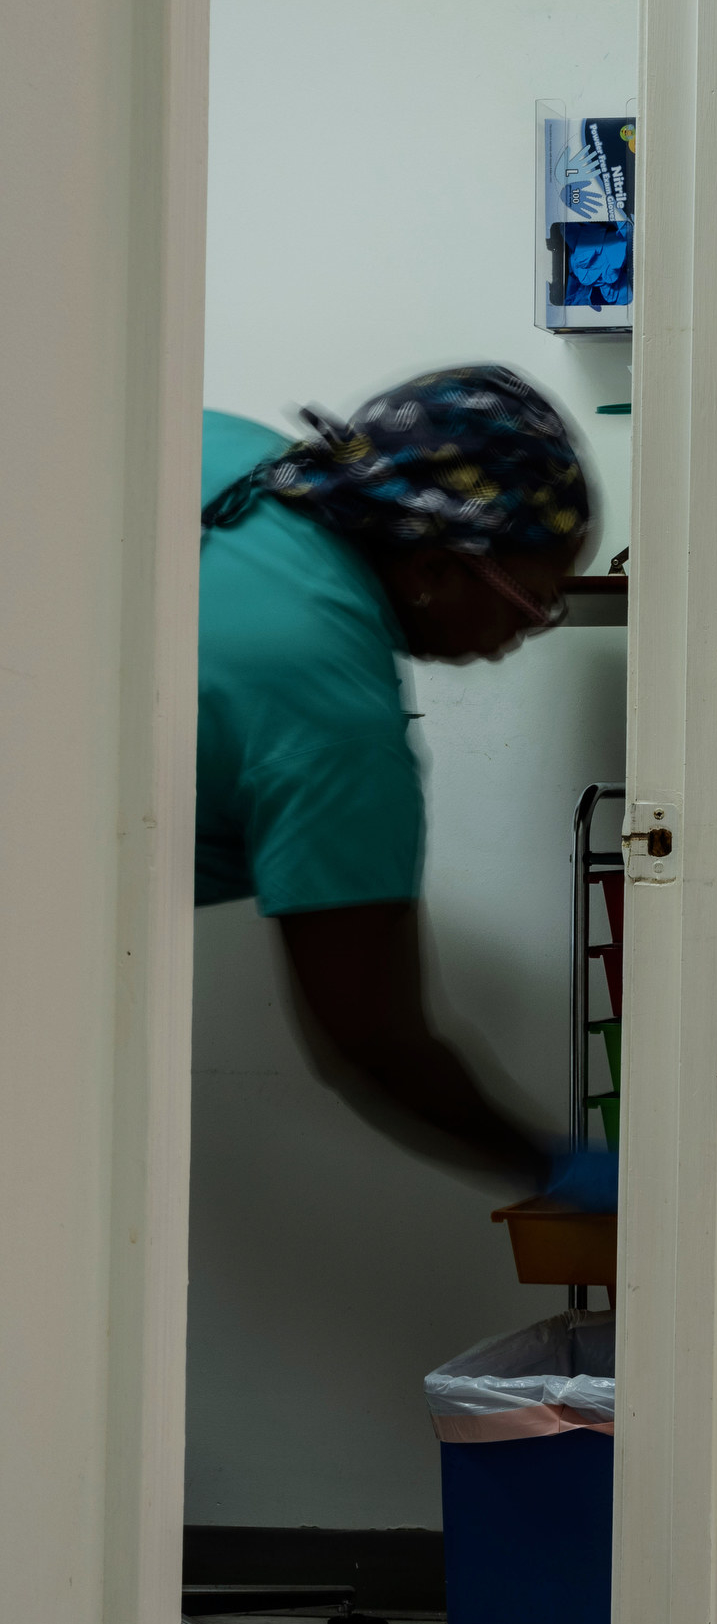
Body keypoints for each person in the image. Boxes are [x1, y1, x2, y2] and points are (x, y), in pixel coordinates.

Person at [195, 364, 617, 1207]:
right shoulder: (333, 719)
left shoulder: (240, 453)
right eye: (532, 601)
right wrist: (551, 1165)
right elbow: (373, 1036)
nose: (532, 631)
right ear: (433, 566)